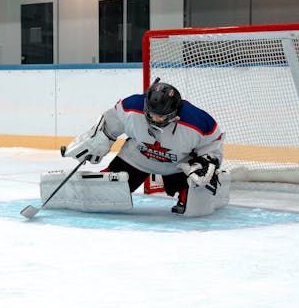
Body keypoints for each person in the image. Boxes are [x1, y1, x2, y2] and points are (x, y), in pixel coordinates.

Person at [59, 77, 229, 216]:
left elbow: (213, 144)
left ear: (174, 113)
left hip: (177, 165)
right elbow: (109, 124)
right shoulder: (131, 107)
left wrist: (207, 162)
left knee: (194, 207)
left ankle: (194, 192)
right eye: (151, 113)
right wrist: (97, 141)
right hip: (137, 157)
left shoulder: (197, 122)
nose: (154, 119)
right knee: (105, 191)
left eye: (160, 117)